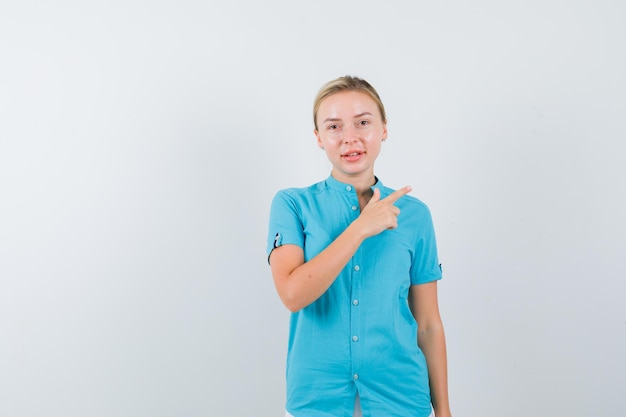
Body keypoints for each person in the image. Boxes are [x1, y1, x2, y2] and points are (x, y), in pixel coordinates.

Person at [266, 75, 452, 417]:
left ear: (383, 128)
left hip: (400, 396)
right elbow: (293, 294)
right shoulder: (292, 205)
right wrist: (360, 229)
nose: (350, 138)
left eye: (363, 122)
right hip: (316, 399)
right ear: (318, 138)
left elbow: (428, 323)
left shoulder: (415, 215)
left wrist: (444, 411)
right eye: (334, 126)